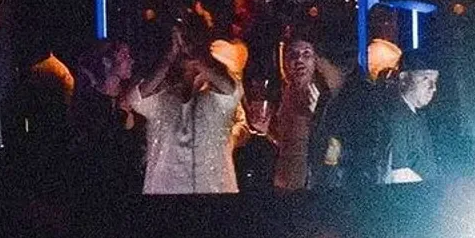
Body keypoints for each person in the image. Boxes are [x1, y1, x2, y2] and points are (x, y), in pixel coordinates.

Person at [124, 21, 245, 195]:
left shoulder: (217, 100)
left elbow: (231, 91)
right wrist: (169, 57)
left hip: (214, 194)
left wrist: (198, 57)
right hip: (165, 194)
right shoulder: (161, 100)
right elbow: (136, 98)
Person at [252, 34, 344, 192]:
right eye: (293, 55)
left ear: (315, 60)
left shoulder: (324, 94)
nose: (299, 60)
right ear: (286, 62)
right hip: (284, 179)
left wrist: (318, 113)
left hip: (311, 182)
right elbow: (287, 140)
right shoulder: (285, 91)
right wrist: (266, 131)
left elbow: (335, 142)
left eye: (306, 54)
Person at [70, 39, 143, 194]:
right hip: (99, 183)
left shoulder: (130, 96)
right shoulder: (90, 101)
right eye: (124, 56)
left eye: (129, 55)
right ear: (107, 61)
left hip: (129, 182)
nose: (131, 60)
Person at [376, 50, 440, 184]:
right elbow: (398, 172)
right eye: (425, 78)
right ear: (404, 78)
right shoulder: (397, 117)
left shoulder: (417, 115)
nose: (433, 87)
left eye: (435, 80)